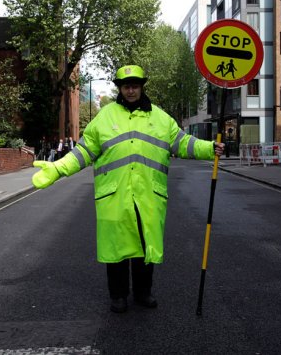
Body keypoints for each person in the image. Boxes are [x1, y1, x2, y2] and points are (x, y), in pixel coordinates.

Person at [32, 65, 224, 313]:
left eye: (135, 85)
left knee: (145, 249)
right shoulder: (105, 117)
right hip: (115, 195)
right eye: (126, 86)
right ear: (120, 89)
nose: (131, 90)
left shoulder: (161, 118)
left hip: (149, 195)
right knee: (117, 251)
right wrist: (58, 168)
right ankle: (118, 295)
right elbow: (83, 151)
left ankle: (143, 293)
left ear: (142, 86)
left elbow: (183, 143)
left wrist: (210, 149)